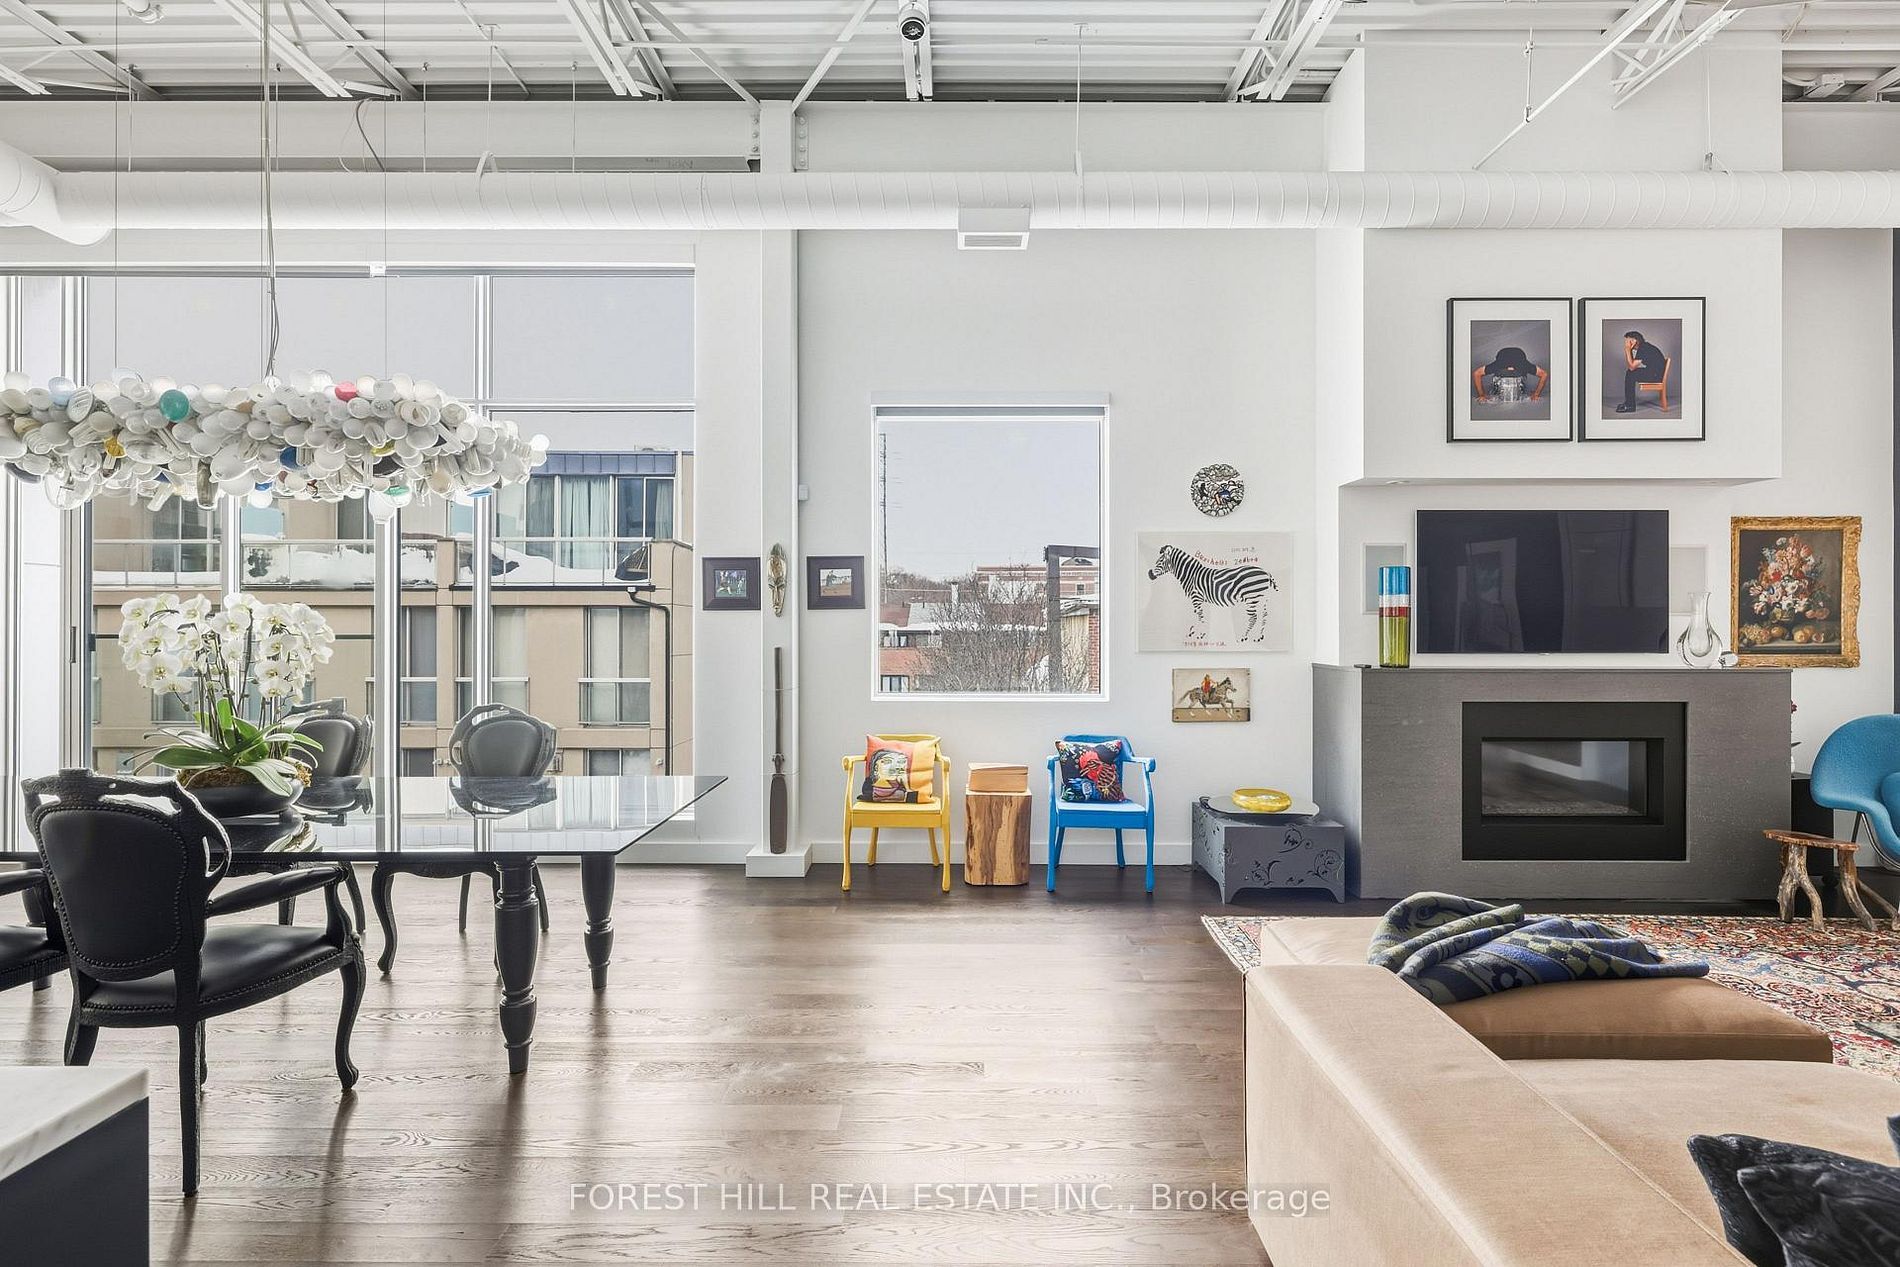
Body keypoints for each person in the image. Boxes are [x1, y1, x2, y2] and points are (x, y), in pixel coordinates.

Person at [1472, 346, 1548, 404]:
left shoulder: (1524, 365)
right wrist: (1482, 395)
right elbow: (1476, 374)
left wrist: (1536, 394)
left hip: (1518, 356)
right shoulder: (1498, 364)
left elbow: (1544, 374)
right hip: (1503, 356)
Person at [1618, 330, 1668, 412]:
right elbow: (1631, 365)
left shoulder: (1644, 348)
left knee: (1631, 373)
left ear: (1635, 340)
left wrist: (1627, 349)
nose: (1626, 344)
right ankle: (1629, 404)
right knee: (1631, 373)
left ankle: (1630, 405)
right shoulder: (1643, 347)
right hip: (1654, 373)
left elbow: (1631, 367)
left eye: (1628, 341)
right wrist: (1629, 350)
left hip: (1656, 376)